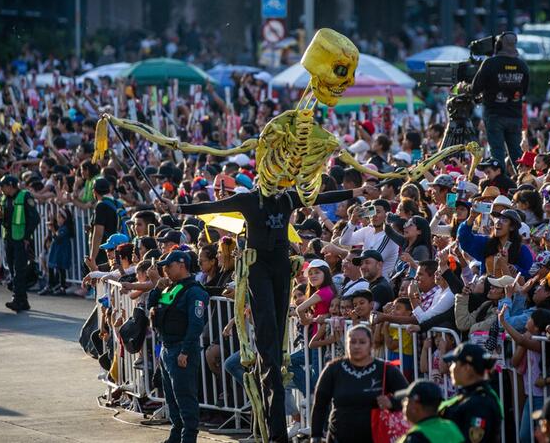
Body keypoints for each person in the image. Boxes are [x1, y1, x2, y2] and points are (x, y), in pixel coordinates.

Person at [168, 184, 368, 442]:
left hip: (280, 265)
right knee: (267, 338)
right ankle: (271, 418)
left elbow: (319, 195)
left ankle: (275, 407)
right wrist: (179, 207)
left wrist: (356, 191)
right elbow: (212, 206)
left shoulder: (287, 199)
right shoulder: (249, 200)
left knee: (277, 337)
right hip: (258, 265)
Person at [146, 250, 209, 443]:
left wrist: (185, 351)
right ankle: (176, 436)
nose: (165, 270)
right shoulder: (171, 288)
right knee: (172, 399)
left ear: (182, 265)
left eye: (169, 266)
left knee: (185, 399)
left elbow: (196, 324)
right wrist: (157, 288)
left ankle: (188, 438)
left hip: (182, 349)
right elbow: (153, 305)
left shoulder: (195, 291)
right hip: (167, 348)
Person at [310, 324, 409, 443]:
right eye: (352, 342)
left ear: (371, 345)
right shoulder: (333, 369)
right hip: (339, 437)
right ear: (346, 344)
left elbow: (408, 396)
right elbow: (319, 404)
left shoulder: (385, 369)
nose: (357, 346)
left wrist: (392, 403)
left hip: (375, 436)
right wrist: (315, 436)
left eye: (362, 342)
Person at [470, 32, 530, 170]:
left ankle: (500, 182)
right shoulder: (522, 65)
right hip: (514, 115)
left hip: (494, 115)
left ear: (498, 46)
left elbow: (475, 88)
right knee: (516, 153)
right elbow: (524, 91)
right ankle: (524, 179)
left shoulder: (490, 63)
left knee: (497, 152)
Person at [439, 343, 503, 443]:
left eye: (455, 363)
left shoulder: (480, 404)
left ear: (467, 368)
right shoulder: (468, 395)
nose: (451, 368)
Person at [0, 174, 39, 312]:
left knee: (19, 270)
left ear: (10, 186)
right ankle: (24, 301)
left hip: (21, 239)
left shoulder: (25, 196)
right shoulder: (4, 198)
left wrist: (27, 237)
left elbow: (35, 219)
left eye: (2, 186)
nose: (1, 189)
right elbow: (4, 219)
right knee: (13, 268)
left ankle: (17, 299)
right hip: (9, 238)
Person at [394, 379, 464, 442]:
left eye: (406, 400)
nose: (403, 404)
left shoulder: (416, 437)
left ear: (415, 406)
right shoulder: (451, 427)